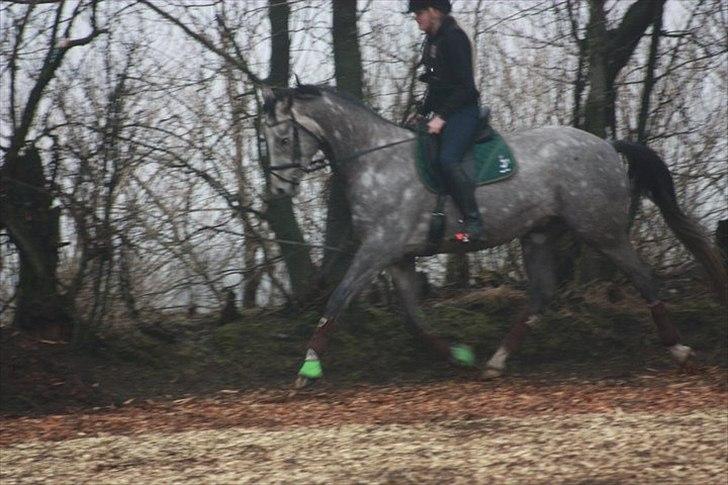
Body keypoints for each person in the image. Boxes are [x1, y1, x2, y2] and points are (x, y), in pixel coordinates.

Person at [408, 0, 484, 243]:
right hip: (447, 111)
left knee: (448, 159)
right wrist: (424, 112)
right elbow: (437, 87)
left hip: (465, 111)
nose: (416, 18)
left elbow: (466, 88)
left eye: (419, 13)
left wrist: (441, 117)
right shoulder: (432, 41)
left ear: (433, 11)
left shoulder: (454, 38)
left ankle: (474, 222)